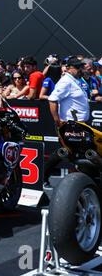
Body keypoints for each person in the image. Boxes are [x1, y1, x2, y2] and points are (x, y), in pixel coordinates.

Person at [44, 56, 89, 188]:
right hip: (70, 124)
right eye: (78, 67)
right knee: (71, 152)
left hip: (80, 124)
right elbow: (52, 99)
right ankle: (45, 175)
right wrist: (57, 120)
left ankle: (73, 180)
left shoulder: (76, 80)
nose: (81, 69)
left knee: (71, 153)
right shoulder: (65, 81)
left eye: (81, 66)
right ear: (69, 68)